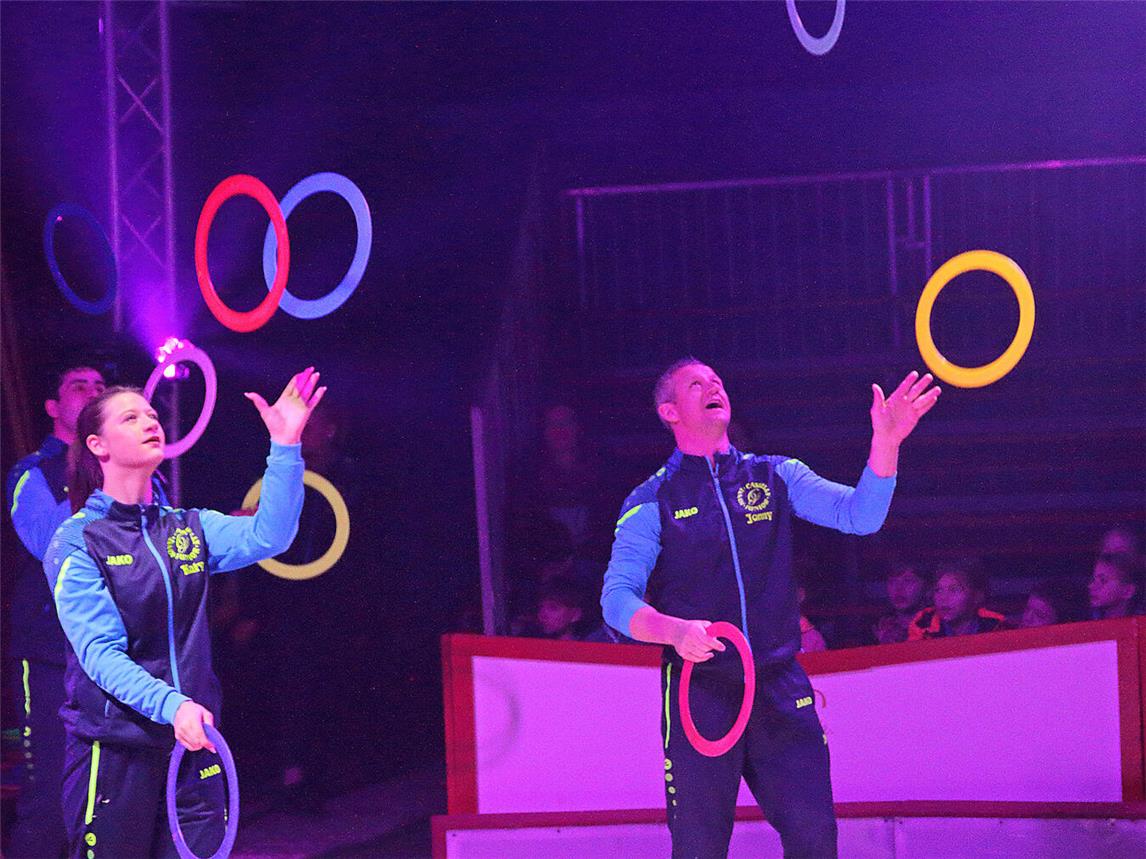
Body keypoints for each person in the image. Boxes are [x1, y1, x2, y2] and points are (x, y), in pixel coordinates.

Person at [600, 358, 939, 859]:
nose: (714, 386)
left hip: (779, 684)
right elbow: (616, 599)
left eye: (717, 379)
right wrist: (673, 631)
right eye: (696, 384)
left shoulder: (776, 475)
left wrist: (886, 442)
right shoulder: (653, 499)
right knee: (699, 850)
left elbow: (860, 516)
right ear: (669, 411)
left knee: (815, 839)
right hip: (702, 690)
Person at [42, 367, 325, 858]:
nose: (151, 422)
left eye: (152, 415)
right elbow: (99, 654)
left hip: (193, 748)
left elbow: (270, 536)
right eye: (131, 417)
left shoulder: (189, 528)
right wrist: (172, 706)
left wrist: (284, 445)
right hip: (115, 753)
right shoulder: (78, 541)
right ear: (97, 445)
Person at [4, 363, 168, 858]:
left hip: (125, 662)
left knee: (119, 804)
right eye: (79, 385)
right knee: (53, 803)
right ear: (53, 408)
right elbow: (51, 541)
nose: (94, 392)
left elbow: (159, 555)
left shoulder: (143, 480)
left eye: (101, 387)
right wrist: (105, 477)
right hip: (55, 657)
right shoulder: (32, 472)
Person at [907, 558, 1009, 639]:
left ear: (977, 596)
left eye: (954, 590)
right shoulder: (922, 624)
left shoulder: (995, 625)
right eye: (938, 590)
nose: (943, 598)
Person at [872, 562, 929, 644]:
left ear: (926, 587)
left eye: (907, 581)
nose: (899, 589)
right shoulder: (878, 629)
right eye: (892, 581)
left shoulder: (940, 627)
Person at [1088, 552, 1143, 620]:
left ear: (1128, 591)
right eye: (1093, 579)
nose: (1091, 586)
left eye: (1103, 580)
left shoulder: (1141, 624)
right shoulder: (1088, 619)